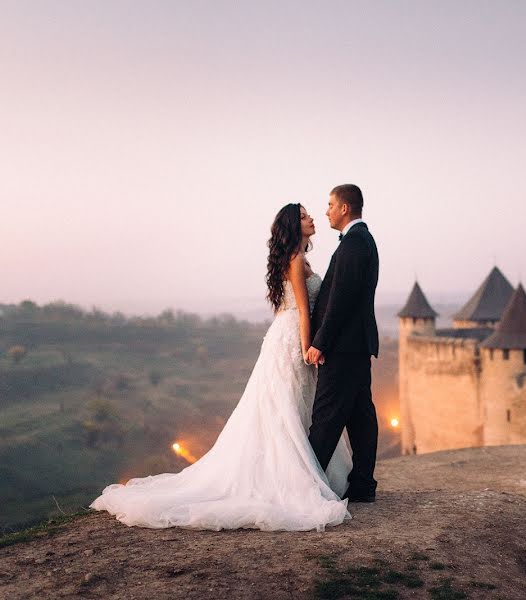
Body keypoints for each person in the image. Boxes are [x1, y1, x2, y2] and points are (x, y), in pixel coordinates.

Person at [90, 203, 353, 531]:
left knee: (289, 408)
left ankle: (304, 472)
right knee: (289, 408)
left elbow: (290, 311)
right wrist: (307, 349)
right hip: (292, 337)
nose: (311, 218)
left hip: (281, 335)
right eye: (303, 216)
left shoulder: (297, 259)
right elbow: (302, 310)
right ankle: (292, 479)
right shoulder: (297, 261)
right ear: (292, 225)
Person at [306, 184, 380, 503]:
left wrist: (320, 342)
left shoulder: (353, 243)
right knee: (360, 415)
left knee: (325, 417)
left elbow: (341, 301)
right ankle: (362, 484)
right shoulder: (361, 240)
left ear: (345, 208)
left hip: (343, 349)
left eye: (330, 205)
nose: (326, 211)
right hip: (356, 346)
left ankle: (307, 487)